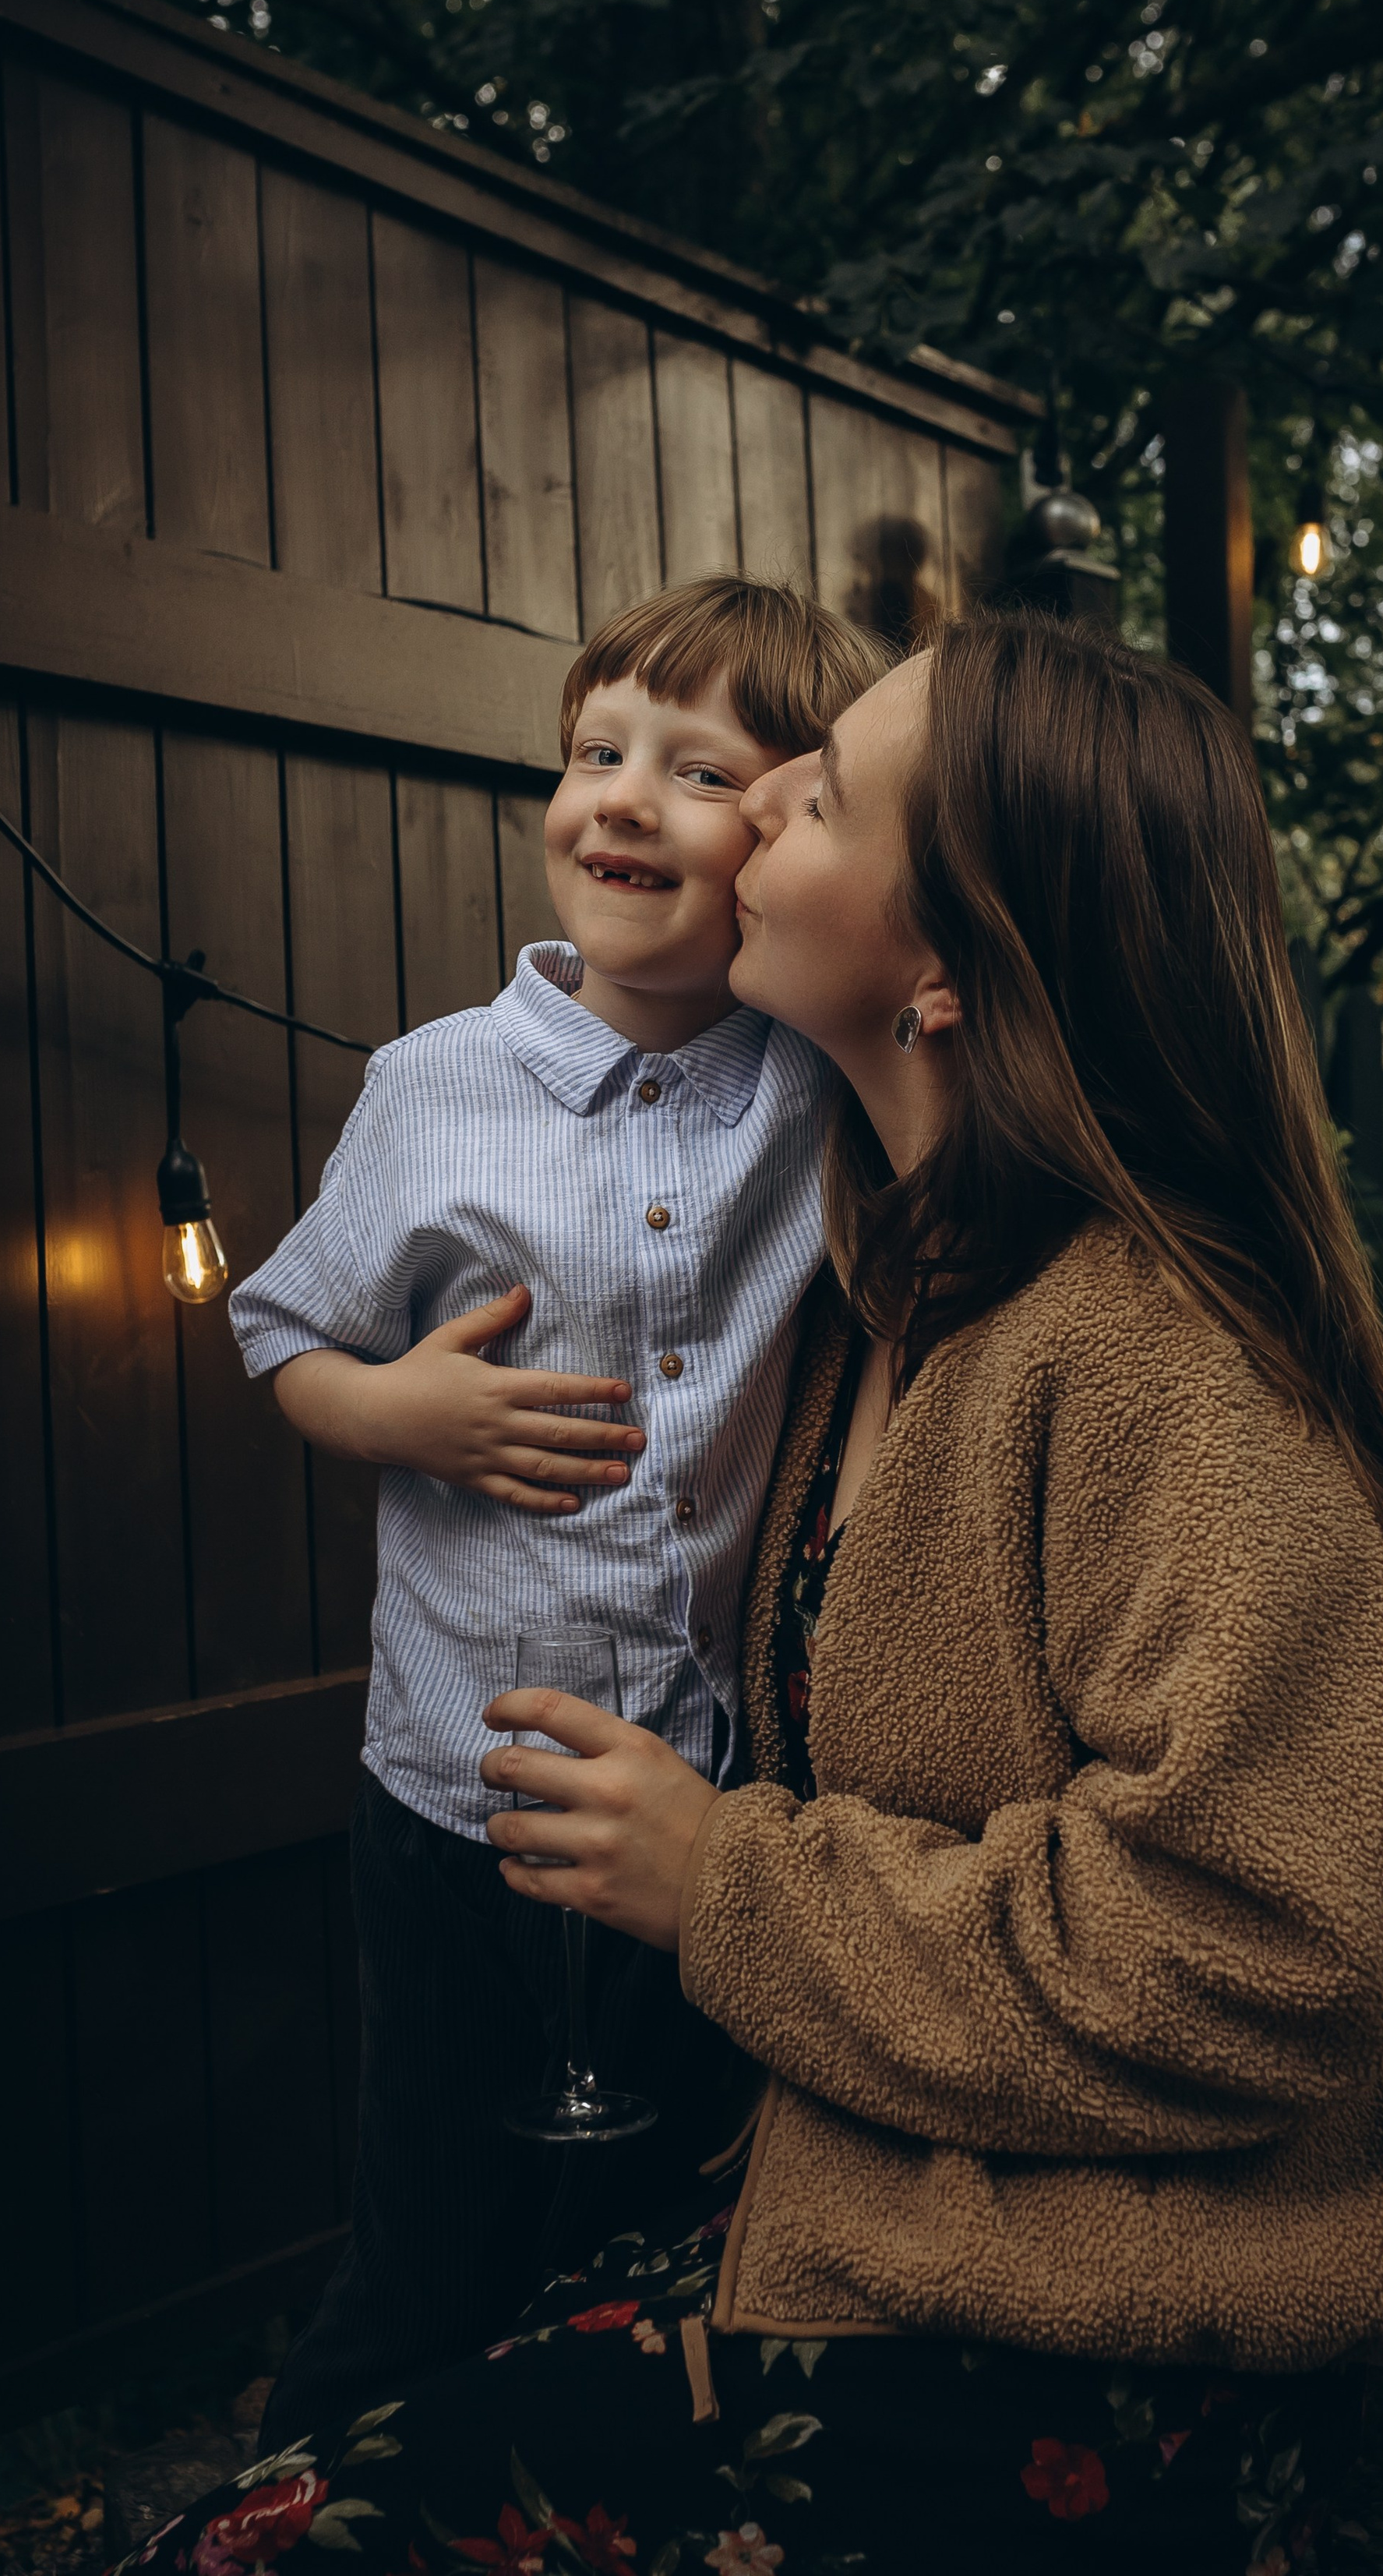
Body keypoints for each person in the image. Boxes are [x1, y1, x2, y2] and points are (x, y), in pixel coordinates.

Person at [136, 613, 1383, 2576]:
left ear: (943, 967)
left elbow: (1276, 1948)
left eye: (817, 785)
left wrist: (726, 1879)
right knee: (346, 2409)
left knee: (254, 2552)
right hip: (885, 2187)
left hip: (1096, 2317)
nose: (743, 797)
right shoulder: (877, 1285)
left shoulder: (1157, 1365)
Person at [227, 576, 891, 2451]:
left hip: (708, 1791)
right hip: (462, 1787)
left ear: (781, 836)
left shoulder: (809, 1081)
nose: (616, 798)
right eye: (594, 750)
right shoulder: (432, 1087)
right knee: (430, 2240)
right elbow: (277, 1324)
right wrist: (397, 1407)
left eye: (695, 770)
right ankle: (299, 2513)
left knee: (640, 2234)